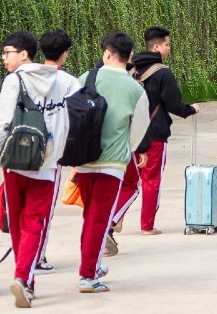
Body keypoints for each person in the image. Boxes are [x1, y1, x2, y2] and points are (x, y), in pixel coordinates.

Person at [0, 31, 75, 308]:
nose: (4, 58)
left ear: (24, 54)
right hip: (46, 165)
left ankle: (26, 279)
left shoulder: (15, 80)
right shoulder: (63, 81)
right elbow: (70, 120)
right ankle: (24, 277)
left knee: (18, 222)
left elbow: (3, 120)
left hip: (14, 162)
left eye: (7, 52)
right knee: (35, 222)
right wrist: (59, 153)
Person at [75, 32, 149, 294]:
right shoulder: (135, 89)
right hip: (112, 162)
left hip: (83, 158)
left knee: (89, 215)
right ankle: (87, 276)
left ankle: (91, 266)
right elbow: (139, 129)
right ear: (129, 57)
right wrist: (125, 150)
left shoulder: (85, 78)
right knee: (99, 218)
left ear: (106, 53)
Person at [111, 26, 199, 238]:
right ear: (157, 46)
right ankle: (147, 225)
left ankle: (114, 216)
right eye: (167, 44)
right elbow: (173, 103)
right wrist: (191, 109)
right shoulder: (163, 72)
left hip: (129, 134)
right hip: (155, 133)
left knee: (129, 181)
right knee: (151, 180)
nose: (169, 48)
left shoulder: (129, 69)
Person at [33, 30, 79, 275]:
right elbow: (77, 118)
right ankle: (37, 256)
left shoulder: (24, 77)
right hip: (52, 154)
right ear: (64, 55)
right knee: (44, 207)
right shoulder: (70, 82)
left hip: (21, 150)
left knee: (23, 207)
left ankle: (24, 253)